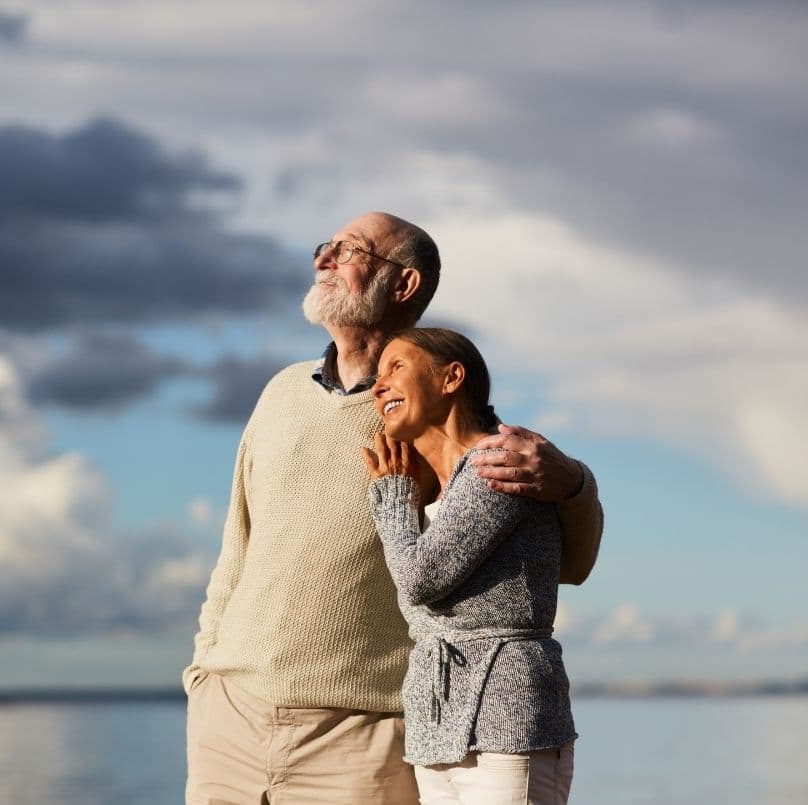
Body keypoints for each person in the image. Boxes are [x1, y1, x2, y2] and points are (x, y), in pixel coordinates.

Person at [184, 212, 602, 804]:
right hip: (229, 719)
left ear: (404, 285)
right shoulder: (280, 391)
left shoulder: (433, 420)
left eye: (349, 250)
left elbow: (565, 565)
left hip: (365, 736)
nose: (323, 259)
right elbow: (238, 543)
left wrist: (574, 484)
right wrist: (204, 674)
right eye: (323, 247)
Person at [362, 328, 576, 804]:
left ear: (451, 377)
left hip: (508, 715)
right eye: (377, 375)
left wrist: (393, 496)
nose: (378, 386)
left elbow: (418, 580)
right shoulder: (438, 487)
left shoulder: (498, 464)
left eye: (396, 367)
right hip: (437, 723)